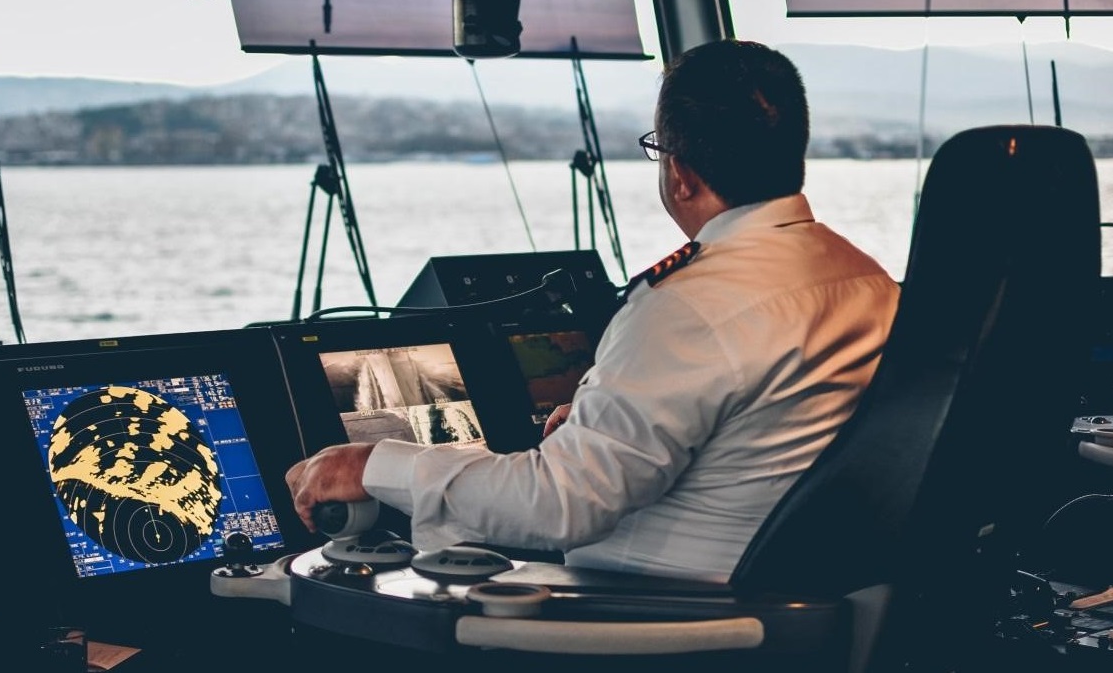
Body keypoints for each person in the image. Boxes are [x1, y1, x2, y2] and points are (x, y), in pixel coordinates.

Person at [285, 39, 901, 583]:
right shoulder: (867, 279)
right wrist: (594, 432)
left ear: (680, 174)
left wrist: (375, 463)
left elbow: (561, 505)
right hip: (806, 598)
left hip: (670, 619)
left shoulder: (687, 305)